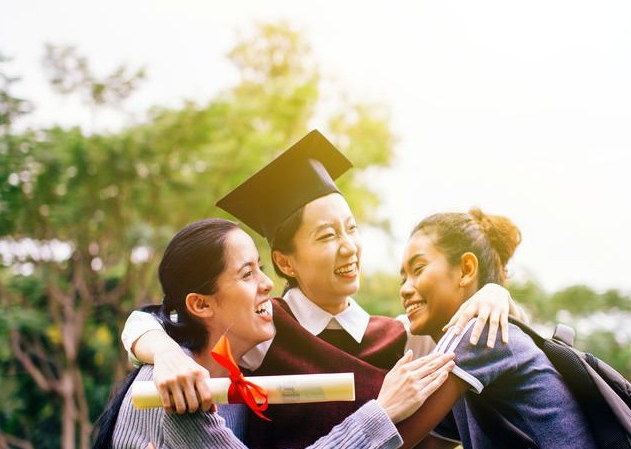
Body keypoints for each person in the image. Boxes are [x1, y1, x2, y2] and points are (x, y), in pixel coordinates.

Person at [121, 131, 526, 447]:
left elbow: (485, 337)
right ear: (285, 262)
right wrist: (164, 351)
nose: (349, 247)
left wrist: (492, 293)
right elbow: (153, 319)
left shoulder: (400, 337)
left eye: (351, 228)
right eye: (327, 235)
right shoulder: (262, 329)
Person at [93, 218, 456, 449]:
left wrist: (491, 293)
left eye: (260, 268)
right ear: (201, 305)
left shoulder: (231, 373)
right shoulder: (182, 390)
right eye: (247, 274)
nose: (268, 284)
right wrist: (382, 412)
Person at [396, 208, 597, 449]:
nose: (405, 289)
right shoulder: (489, 339)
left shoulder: (477, 332)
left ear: (466, 270)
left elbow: (394, 438)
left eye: (418, 269)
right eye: (403, 279)